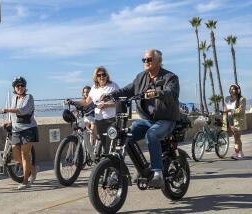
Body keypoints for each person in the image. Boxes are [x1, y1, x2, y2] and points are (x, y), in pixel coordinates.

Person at [101, 49, 180, 188]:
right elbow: (126, 90)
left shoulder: (170, 77)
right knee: (125, 136)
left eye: (149, 59)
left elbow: (171, 93)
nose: (146, 62)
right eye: (144, 60)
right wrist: (111, 95)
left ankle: (158, 174)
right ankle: (140, 168)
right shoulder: (140, 77)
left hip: (166, 120)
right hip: (147, 120)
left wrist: (157, 93)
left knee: (152, 134)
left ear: (158, 61)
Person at [67, 66, 119, 155]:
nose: (102, 77)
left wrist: (106, 105)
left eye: (103, 74)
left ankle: (112, 166)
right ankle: (108, 166)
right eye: (99, 75)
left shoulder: (113, 86)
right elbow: (86, 101)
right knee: (104, 145)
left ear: (107, 76)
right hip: (99, 120)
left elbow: (119, 102)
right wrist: (73, 102)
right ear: (96, 77)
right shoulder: (94, 88)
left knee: (110, 146)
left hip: (112, 119)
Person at [2, 76, 38, 190]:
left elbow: (22, 110)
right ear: (14, 87)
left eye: (22, 85)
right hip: (16, 130)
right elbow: (13, 114)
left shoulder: (29, 97)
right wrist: (9, 121)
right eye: (18, 85)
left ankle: (25, 181)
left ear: (25, 87)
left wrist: (6, 109)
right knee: (16, 156)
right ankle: (32, 169)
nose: (20, 87)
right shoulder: (14, 98)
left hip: (28, 129)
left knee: (24, 154)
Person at [223, 84, 247, 160]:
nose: (233, 90)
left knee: (237, 137)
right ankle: (239, 152)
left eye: (235, 89)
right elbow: (225, 109)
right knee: (236, 138)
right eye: (231, 89)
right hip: (229, 120)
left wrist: (230, 110)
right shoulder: (227, 98)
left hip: (238, 121)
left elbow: (241, 110)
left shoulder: (242, 99)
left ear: (238, 90)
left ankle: (238, 153)